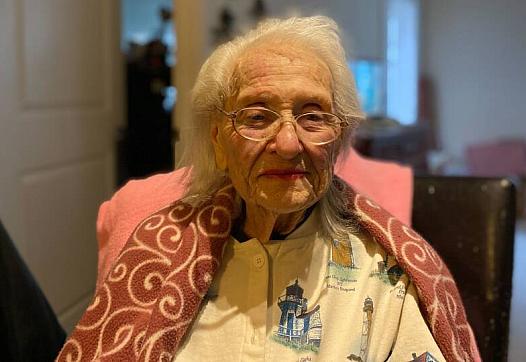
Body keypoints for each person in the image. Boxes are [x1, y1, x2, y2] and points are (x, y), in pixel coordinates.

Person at [57, 16, 480, 361]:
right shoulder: (154, 261)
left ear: (338, 141)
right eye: (257, 117)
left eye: (313, 116)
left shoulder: (387, 273)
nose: (288, 143)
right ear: (219, 141)